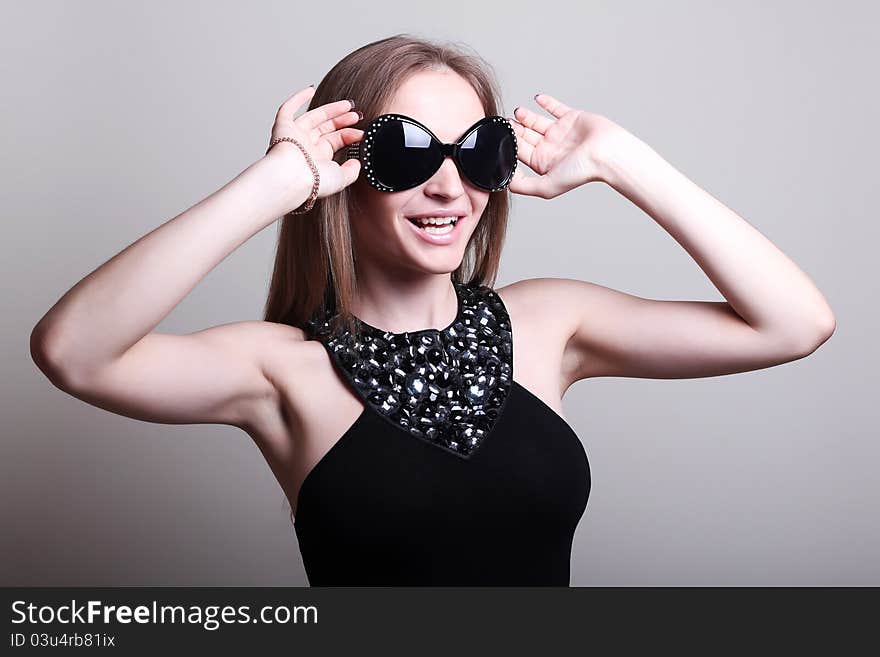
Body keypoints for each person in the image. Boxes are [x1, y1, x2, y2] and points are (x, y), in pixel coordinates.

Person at [30, 34, 836, 586]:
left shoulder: (550, 324)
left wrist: (622, 161)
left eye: (478, 150)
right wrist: (277, 184)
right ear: (345, 169)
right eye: (407, 153)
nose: (449, 186)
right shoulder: (280, 369)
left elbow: (795, 322)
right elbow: (73, 351)